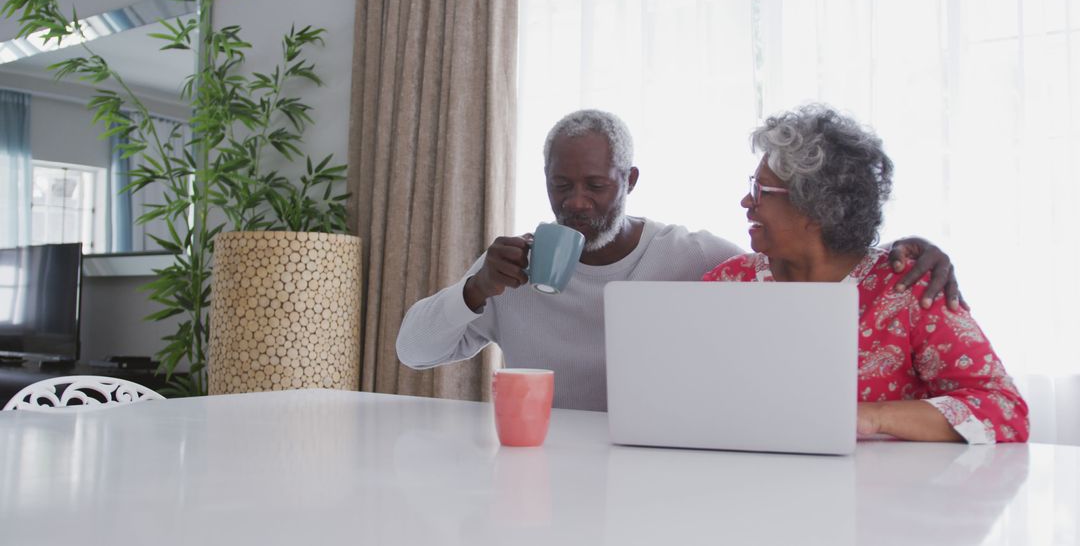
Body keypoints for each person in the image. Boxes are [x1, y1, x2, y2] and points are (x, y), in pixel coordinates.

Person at [397, 109, 962, 412]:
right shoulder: (508, 268)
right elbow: (413, 352)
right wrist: (474, 289)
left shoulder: (697, 258)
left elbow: (800, 272)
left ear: (630, 181)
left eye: (596, 185)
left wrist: (890, 251)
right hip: (541, 462)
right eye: (560, 186)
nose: (576, 203)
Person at [702, 104, 1028, 443]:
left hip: (877, 490)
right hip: (747, 480)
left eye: (761, 191)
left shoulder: (907, 287)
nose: (745, 201)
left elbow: (1004, 411)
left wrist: (872, 416)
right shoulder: (728, 284)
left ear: (816, 208)